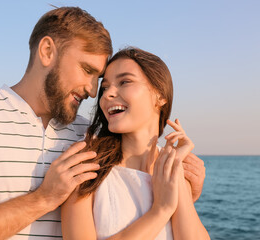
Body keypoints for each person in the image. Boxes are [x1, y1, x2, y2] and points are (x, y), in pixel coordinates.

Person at [0, 7, 205, 240]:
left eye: (97, 79)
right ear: (47, 51)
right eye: (87, 71)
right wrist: (44, 198)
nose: (93, 90)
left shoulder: (87, 140)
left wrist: (185, 190)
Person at [61, 47, 210, 239]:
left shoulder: (174, 171)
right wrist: (160, 211)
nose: (107, 95)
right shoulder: (86, 169)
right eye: (105, 87)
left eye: (124, 82)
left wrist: (177, 171)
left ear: (160, 95)